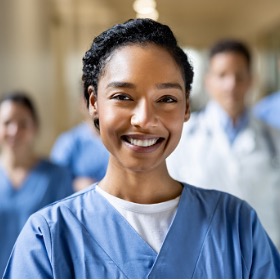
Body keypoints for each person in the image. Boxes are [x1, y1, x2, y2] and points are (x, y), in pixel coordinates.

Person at [3, 20, 280, 279]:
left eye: (167, 98)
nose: (145, 119)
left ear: (186, 108)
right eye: (123, 97)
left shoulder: (239, 227)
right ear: (93, 103)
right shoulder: (48, 238)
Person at [167, 39, 280, 250]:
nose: (231, 85)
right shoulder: (185, 137)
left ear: (251, 80)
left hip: (263, 259)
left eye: (239, 76)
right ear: (208, 81)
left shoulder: (274, 140)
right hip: (204, 258)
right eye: (222, 75)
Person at [0, 91, 73, 276]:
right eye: (7, 123)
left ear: (35, 127)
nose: (14, 131)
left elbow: (66, 237)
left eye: (23, 124)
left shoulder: (57, 176)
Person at [50, 100, 109, 191]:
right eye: (91, 100)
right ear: (82, 104)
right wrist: (76, 185)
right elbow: (55, 182)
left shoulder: (121, 141)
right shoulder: (69, 142)